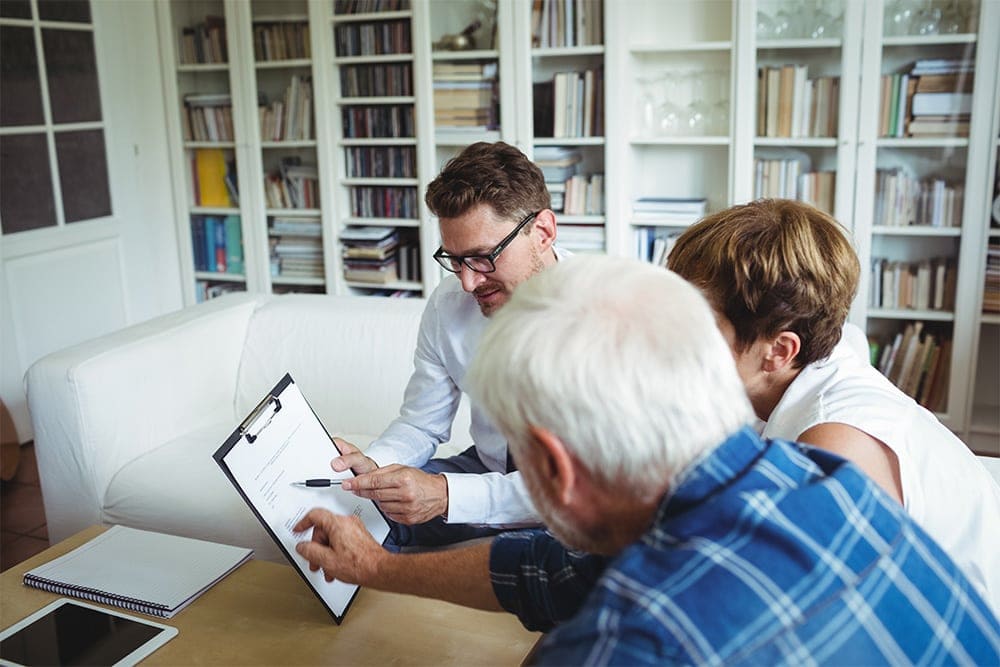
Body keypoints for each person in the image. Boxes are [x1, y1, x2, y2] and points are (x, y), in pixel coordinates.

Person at [296, 256, 1000, 664]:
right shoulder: (827, 479)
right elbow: (556, 570)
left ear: (551, 466)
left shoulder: (627, 644)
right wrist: (377, 566)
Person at [666, 198, 1000, 612]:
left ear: (779, 351)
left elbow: (820, 616)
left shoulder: (837, 443)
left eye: (694, 322)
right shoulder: (796, 369)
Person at [330, 141, 568, 547]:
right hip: (485, 469)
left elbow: (581, 488)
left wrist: (445, 495)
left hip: (569, 499)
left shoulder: (605, 316)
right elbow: (422, 422)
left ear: (542, 232)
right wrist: (375, 466)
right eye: (455, 259)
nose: (468, 282)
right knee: (353, 518)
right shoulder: (449, 303)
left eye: (482, 257)